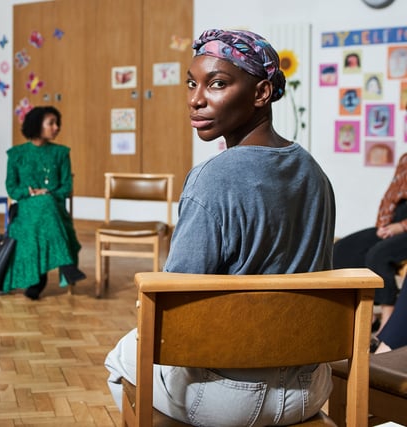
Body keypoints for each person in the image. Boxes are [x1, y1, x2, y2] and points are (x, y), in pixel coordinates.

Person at [105, 29, 336, 426]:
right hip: (310, 387)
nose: (196, 99)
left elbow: (173, 306)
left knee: (121, 357)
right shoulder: (314, 172)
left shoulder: (211, 178)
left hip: (231, 397)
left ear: (261, 93)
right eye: (191, 84)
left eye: (216, 84)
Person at [3, 106, 85, 300]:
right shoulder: (16, 154)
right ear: (36, 125)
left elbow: (66, 186)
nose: (56, 127)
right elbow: (11, 188)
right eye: (51, 123)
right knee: (41, 205)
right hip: (25, 209)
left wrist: (47, 193)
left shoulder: (61, 153)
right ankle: (66, 263)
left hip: (54, 208)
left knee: (46, 202)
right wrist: (30, 192)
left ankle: (37, 281)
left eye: (57, 123)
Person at [333, 153, 407, 332]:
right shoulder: (405, 159)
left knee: (378, 254)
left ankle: (388, 318)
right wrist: (383, 224)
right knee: (342, 249)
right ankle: (368, 312)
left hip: (403, 227)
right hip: (394, 223)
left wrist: (402, 227)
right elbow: (390, 196)